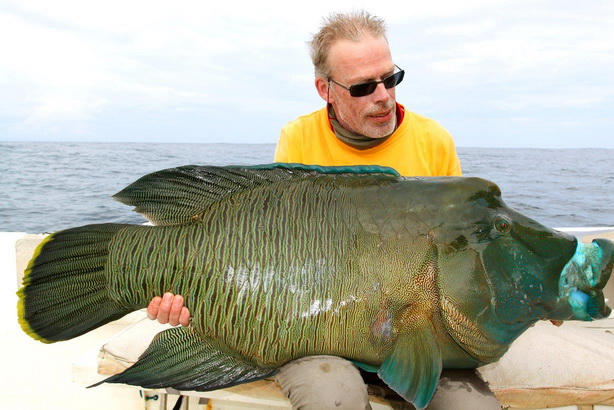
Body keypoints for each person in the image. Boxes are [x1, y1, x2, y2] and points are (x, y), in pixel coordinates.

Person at [147, 11, 500, 410]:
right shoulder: (297, 139)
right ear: (325, 89)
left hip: (418, 330)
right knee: (334, 397)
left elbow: (465, 256)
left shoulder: (435, 141)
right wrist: (194, 297)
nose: (383, 95)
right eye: (364, 86)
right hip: (317, 332)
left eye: (390, 78)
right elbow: (270, 257)